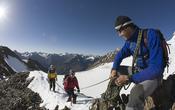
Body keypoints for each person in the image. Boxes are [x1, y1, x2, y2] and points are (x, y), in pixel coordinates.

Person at [110, 16, 165, 110]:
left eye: (120, 31)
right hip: (139, 71)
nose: (119, 35)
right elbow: (120, 55)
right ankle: (113, 98)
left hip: (154, 76)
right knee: (118, 70)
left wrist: (129, 78)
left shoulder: (151, 35)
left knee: (135, 94)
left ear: (127, 27)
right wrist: (114, 69)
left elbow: (156, 69)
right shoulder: (129, 42)